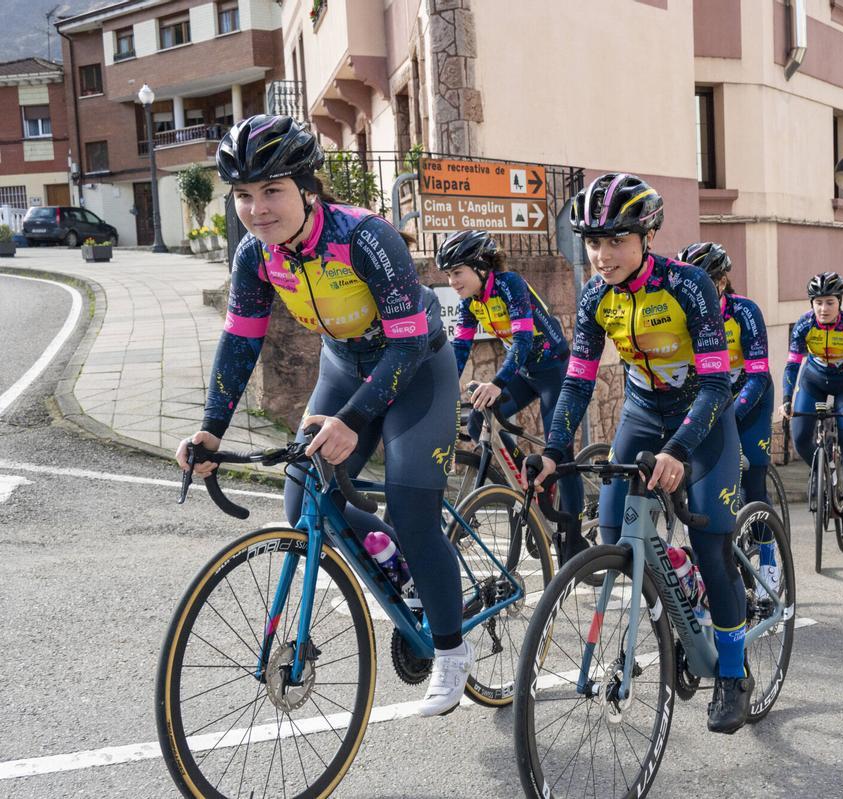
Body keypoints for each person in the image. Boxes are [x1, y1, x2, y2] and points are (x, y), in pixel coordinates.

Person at [173, 114, 472, 716]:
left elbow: (409, 343)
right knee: (302, 501)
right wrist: (211, 427)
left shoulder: (364, 236)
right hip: (345, 365)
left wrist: (353, 420)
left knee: (413, 511)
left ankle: (452, 652)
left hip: (415, 367)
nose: (257, 210)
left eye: (272, 191)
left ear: (308, 188)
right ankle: (400, 567)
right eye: (244, 196)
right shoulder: (256, 257)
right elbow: (240, 342)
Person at [531, 173, 752, 734]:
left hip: (701, 415)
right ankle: (674, 611)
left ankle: (732, 674)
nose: (602, 256)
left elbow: (716, 385)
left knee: (709, 537)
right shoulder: (595, 298)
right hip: (642, 412)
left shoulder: (689, 286)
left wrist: (679, 449)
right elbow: (578, 383)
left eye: (615, 241)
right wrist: (556, 449)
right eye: (593, 242)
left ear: (646, 236)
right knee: (613, 531)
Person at [438, 229, 586, 559]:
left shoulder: (510, 284)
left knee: (560, 450)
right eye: (448, 275)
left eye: (457, 273)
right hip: (524, 373)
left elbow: (522, 342)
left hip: (552, 371)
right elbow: (460, 348)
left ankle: (573, 535)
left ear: (480, 267)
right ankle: (531, 478)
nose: (452, 282)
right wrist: (443, 389)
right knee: (477, 421)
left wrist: (497, 383)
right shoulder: (471, 303)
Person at [677, 241, 779, 594]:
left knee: (754, 485)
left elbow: (758, 374)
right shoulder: (685, 312)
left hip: (749, 401)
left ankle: (768, 560)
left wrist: (730, 414)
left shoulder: (744, 312)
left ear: (720, 283)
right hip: (709, 401)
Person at [779, 272, 843, 538]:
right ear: (811, 303)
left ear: (839, 302)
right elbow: (793, 363)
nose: (823, 308)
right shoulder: (804, 325)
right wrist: (787, 398)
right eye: (818, 302)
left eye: (829, 302)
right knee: (799, 437)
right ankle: (821, 470)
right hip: (814, 381)